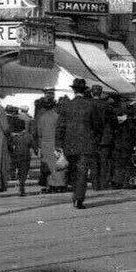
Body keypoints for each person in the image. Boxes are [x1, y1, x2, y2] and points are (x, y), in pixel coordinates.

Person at [56, 78, 104, 209]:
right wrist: (95, 139)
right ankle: (78, 198)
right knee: (82, 172)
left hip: (69, 145)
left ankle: (75, 195)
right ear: (85, 90)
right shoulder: (90, 105)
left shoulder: (66, 105)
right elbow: (98, 125)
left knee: (73, 172)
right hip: (86, 144)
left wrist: (59, 145)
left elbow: (60, 127)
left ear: (73, 90)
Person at [32, 88, 63, 192]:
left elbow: (38, 130)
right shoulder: (57, 115)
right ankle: (57, 185)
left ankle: (49, 185)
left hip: (45, 142)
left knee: (46, 164)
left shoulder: (40, 114)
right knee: (55, 164)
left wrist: (37, 144)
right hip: (55, 142)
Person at [90, 85, 115, 191]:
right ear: (101, 93)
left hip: (92, 138)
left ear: (92, 93)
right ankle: (103, 184)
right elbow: (113, 120)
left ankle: (95, 185)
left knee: (94, 163)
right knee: (104, 162)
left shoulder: (88, 105)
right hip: (105, 138)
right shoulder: (106, 105)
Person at [110, 99, 136, 189]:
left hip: (117, 141)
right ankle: (127, 182)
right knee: (127, 162)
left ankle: (117, 181)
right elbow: (132, 130)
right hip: (126, 142)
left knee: (118, 162)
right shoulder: (129, 119)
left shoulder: (114, 114)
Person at [8, 113, 34, 197]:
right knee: (24, 172)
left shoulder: (15, 137)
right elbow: (32, 145)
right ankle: (22, 187)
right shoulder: (29, 136)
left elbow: (11, 145)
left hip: (16, 155)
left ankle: (16, 179)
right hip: (26, 155)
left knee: (18, 171)